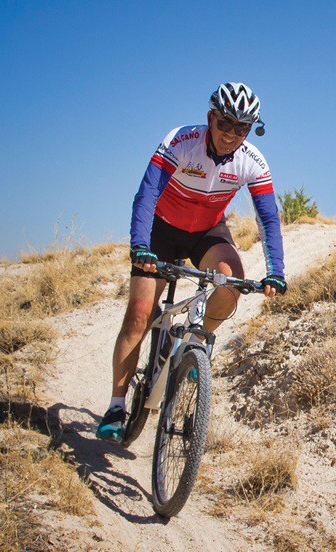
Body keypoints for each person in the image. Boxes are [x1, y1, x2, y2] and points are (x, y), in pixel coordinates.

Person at [96, 82, 286, 441]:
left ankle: (199, 341)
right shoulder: (181, 141)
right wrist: (140, 246)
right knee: (139, 313)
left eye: (242, 128)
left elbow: (268, 219)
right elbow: (147, 193)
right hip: (161, 232)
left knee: (231, 284)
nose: (232, 134)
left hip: (206, 231)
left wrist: (276, 271)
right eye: (226, 124)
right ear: (210, 118)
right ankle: (117, 404)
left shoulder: (253, 162)